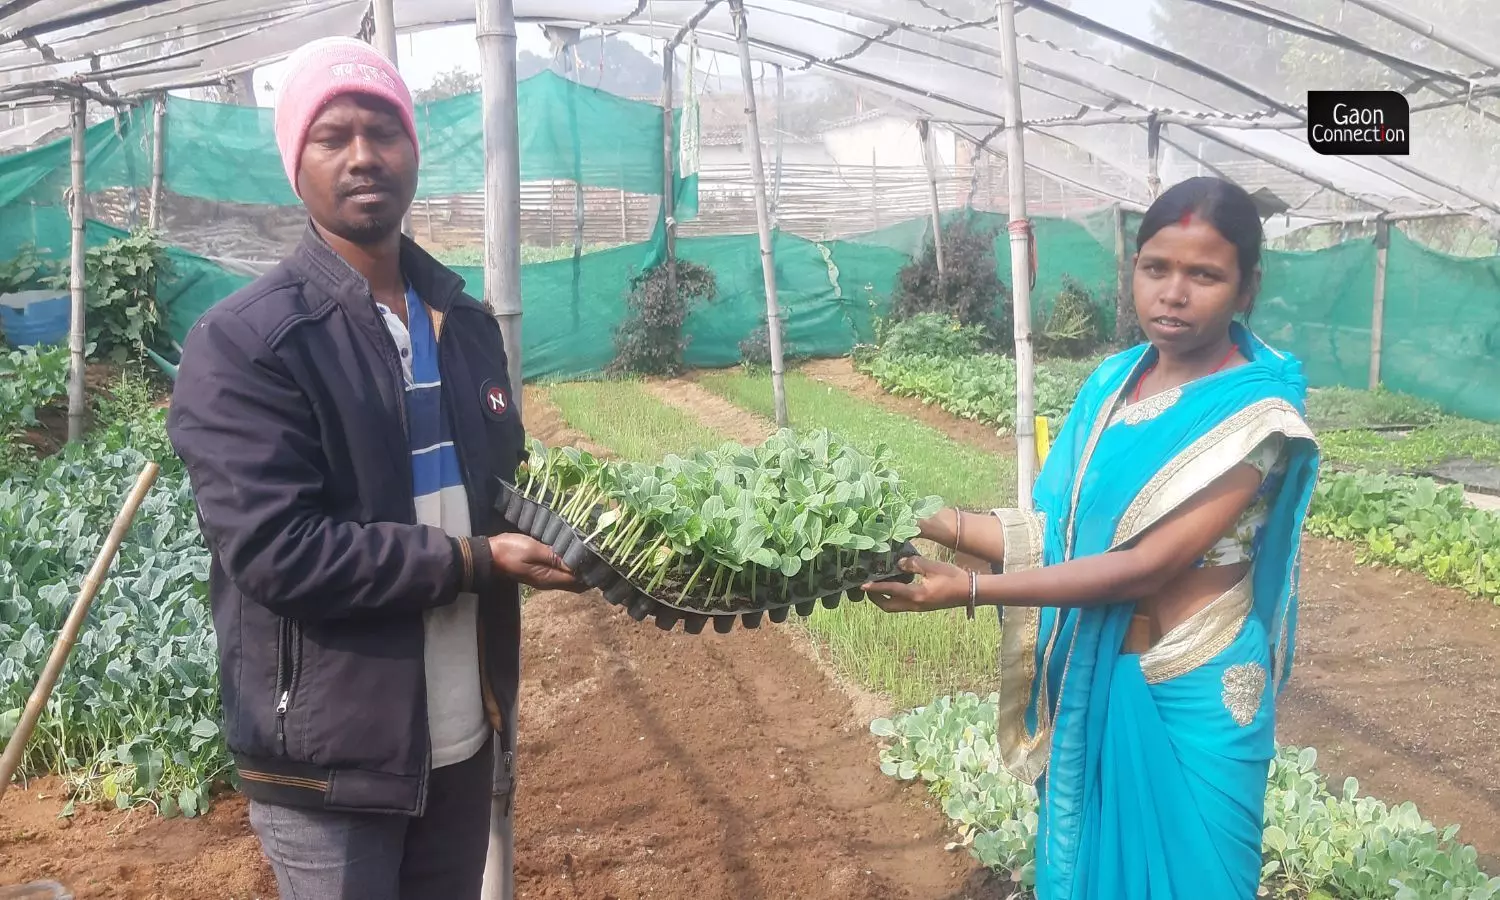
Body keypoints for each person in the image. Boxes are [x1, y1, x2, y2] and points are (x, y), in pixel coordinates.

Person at [166, 36, 583, 900]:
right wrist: (473, 562)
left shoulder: (462, 323)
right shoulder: (248, 344)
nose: (364, 154)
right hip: (331, 761)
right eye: (334, 135)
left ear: (413, 154)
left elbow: (499, 490)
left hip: (462, 727)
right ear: (297, 164)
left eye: (384, 131)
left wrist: (597, 534)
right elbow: (280, 550)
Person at [862, 176, 1321, 899]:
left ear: (1247, 286)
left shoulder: (1257, 418)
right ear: (1133, 271)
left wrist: (973, 588)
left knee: (1201, 880)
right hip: (1097, 673)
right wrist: (921, 518)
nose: (1174, 292)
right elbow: (1059, 535)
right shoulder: (1111, 383)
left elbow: (1144, 566)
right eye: (1156, 268)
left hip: (1193, 685)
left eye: (1204, 274)